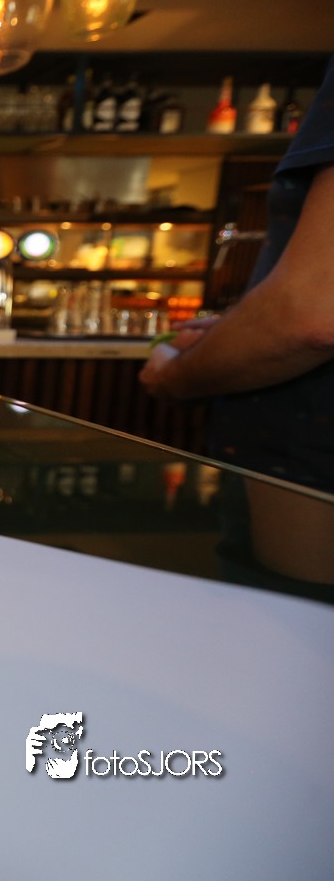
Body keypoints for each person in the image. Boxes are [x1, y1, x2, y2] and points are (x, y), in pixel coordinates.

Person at [140, 55, 334, 589]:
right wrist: (234, 330)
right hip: (291, 475)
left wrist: (175, 377)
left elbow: (311, 316)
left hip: (307, 484)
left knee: (288, 628)